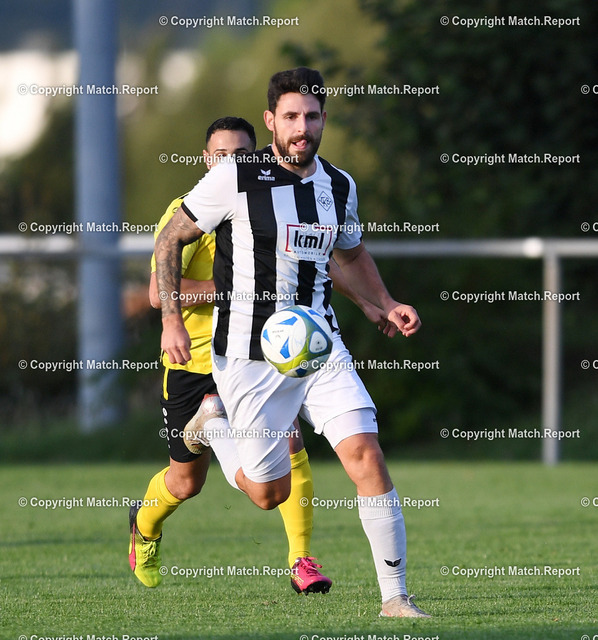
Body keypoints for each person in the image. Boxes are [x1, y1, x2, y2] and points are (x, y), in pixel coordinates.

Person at [155, 68, 430, 618]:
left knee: (366, 454)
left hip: (320, 346)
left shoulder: (339, 185)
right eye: (291, 117)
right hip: (248, 355)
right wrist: (171, 320)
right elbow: (169, 240)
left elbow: (350, 254)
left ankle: (396, 599)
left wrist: (382, 303)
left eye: (311, 116)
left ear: (324, 119)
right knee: (268, 494)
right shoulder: (234, 178)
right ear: (271, 121)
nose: (302, 127)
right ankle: (213, 425)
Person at [129, 116, 332, 594]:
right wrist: (230, 292)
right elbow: (159, 294)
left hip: (252, 354)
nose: (229, 163)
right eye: (220, 156)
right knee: (186, 483)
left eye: (240, 156)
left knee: (290, 440)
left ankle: (302, 560)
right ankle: (144, 526)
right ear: (206, 160)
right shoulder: (186, 212)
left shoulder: (270, 206)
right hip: (193, 362)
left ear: (255, 157)